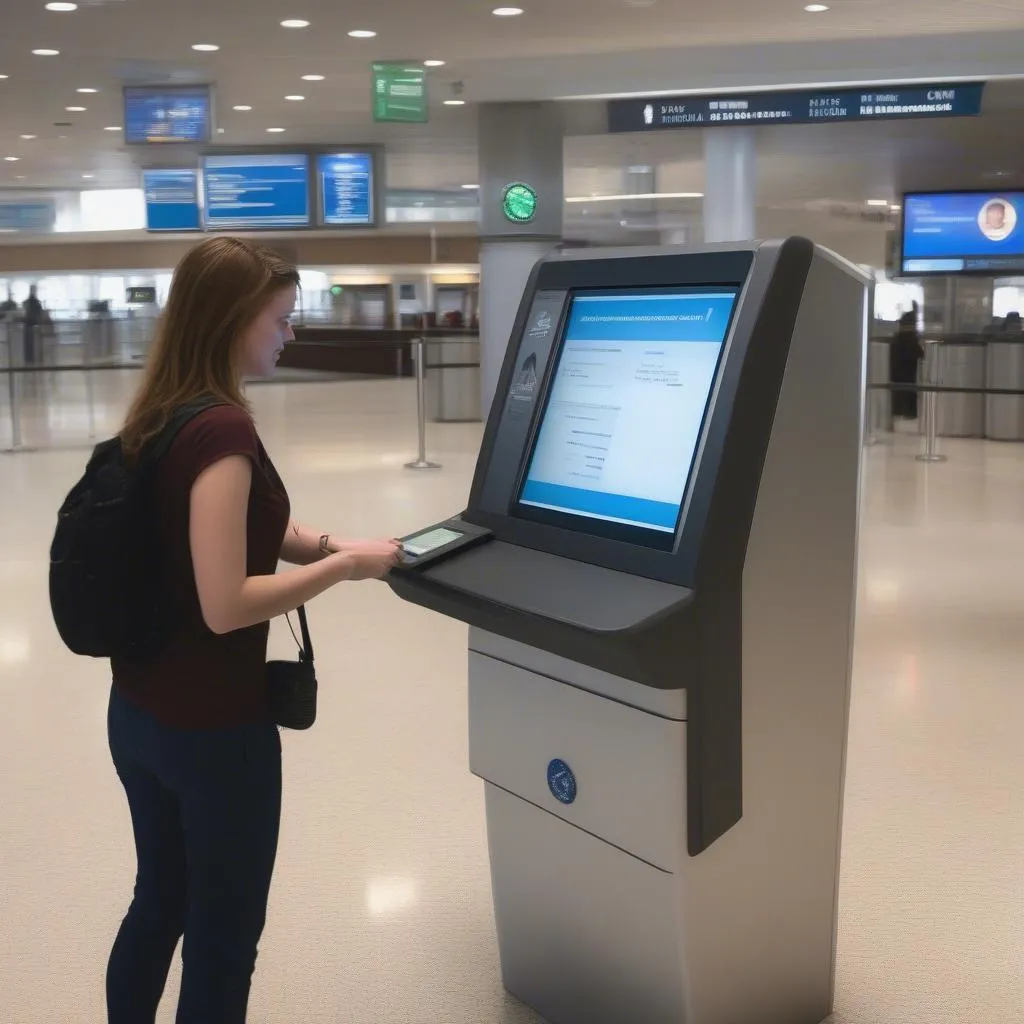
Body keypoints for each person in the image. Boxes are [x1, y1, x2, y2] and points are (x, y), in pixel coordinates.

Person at [105, 236, 401, 1024]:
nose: (290, 334)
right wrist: (342, 573)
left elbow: (234, 531)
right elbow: (227, 602)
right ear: (233, 323)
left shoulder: (161, 417)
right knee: (224, 934)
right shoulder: (225, 433)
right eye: (279, 320)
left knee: (158, 902)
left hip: (137, 712)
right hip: (213, 735)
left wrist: (334, 544)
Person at [890, 310, 924, 420]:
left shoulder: (896, 339)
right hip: (910, 376)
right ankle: (908, 414)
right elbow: (920, 354)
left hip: (896, 377)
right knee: (908, 397)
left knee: (899, 397)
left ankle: (899, 413)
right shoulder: (912, 339)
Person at [22, 284, 44, 364]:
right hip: (34, 324)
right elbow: (40, 313)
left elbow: (24, 313)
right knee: (34, 342)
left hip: (27, 324)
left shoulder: (27, 302)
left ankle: (28, 358)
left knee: (27, 343)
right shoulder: (36, 302)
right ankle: (33, 358)